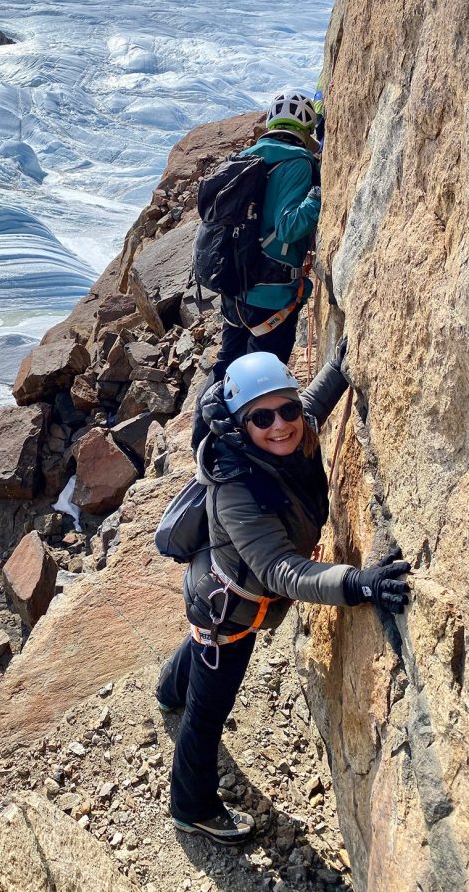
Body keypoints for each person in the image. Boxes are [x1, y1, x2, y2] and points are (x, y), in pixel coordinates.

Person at [157, 348, 411, 845]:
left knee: (199, 656)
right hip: (228, 615)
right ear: (240, 424)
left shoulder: (289, 433)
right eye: (262, 417)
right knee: (207, 714)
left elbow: (312, 404)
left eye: (286, 409)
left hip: (218, 595)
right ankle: (191, 806)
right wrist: (359, 583)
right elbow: (281, 570)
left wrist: (343, 358)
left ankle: (169, 692)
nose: (280, 425)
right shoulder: (236, 487)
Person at [191, 89, 322, 453]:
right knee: (265, 379)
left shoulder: (246, 157)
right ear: (305, 128)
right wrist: (317, 195)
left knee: (227, 367)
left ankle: (203, 441)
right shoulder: (297, 162)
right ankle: (249, 453)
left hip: (235, 286)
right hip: (272, 294)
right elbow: (289, 227)